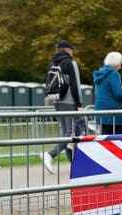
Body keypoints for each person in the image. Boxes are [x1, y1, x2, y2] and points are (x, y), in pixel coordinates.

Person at [41, 40, 83, 174]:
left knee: (66, 132)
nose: (72, 52)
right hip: (69, 102)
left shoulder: (52, 63)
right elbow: (75, 84)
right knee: (70, 134)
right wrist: (79, 104)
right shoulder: (70, 63)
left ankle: (73, 163)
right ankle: (50, 154)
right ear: (67, 50)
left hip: (57, 101)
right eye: (71, 49)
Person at [93, 51, 122, 135]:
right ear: (116, 63)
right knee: (119, 140)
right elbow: (118, 94)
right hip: (113, 113)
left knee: (105, 141)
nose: (121, 66)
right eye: (120, 63)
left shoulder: (99, 73)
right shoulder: (114, 74)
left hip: (100, 111)